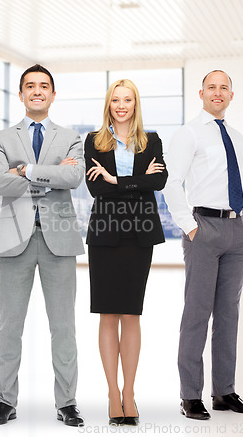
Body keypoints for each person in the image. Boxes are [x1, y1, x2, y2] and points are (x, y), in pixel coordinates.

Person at [0, 64, 85, 427]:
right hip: (16, 241)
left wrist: (25, 171)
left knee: (63, 327)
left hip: (58, 239)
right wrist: (48, 173)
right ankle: (4, 401)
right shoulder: (2, 136)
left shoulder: (71, 136)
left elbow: (73, 177)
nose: (37, 91)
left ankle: (68, 402)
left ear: (53, 94)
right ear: (21, 94)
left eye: (44, 86)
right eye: (31, 86)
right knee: (10, 326)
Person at [163, 70, 243, 420]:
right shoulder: (189, 134)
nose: (218, 93)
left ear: (231, 95)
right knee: (197, 314)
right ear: (201, 93)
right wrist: (190, 228)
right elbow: (171, 183)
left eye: (224, 88)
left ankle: (224, 392)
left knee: (229, 314)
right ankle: (191, 395)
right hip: (203, 228)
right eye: (212, 87)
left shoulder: (237, 136)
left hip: (237, 229)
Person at [84, 79, 167, 426]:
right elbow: (93, 187)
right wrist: (135, 180)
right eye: (115, 100)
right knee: (107, 314)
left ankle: (129, 392)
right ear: (108, 104)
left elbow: (158, 182)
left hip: (140, 234)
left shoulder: (152, 141)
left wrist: (116, 180)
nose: (121, 105)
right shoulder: (93, 141)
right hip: (104, 234)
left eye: (127, 99)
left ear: (136, 104)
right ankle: (112, 393)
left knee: (131, 314)